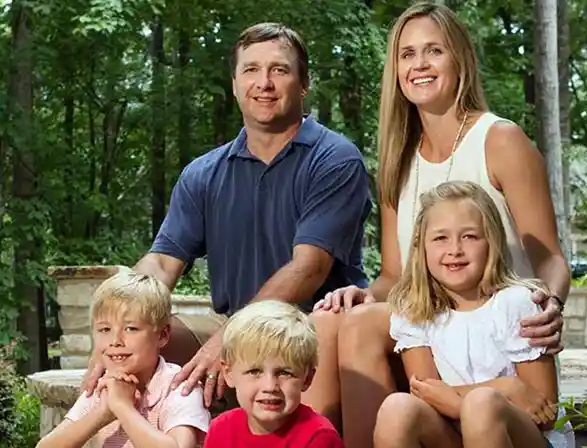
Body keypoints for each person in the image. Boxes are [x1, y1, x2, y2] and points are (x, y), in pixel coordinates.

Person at [310, 3, 572, 448]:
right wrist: (358, 295)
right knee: (333, 321)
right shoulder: (397, 158)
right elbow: (393, 276)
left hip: (500, 328)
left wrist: (552, 301)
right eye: (407, 54)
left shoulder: (500, 140)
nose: (419, 64)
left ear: (460, 59)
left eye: (434, 50)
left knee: (361, 329)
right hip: (435, 322)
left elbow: (548, 257)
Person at [81, 22, 371, 413]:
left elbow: (308, 269)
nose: (263, 83)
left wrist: (233, 336)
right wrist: (116, 331)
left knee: (306, 334)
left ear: (304, 84)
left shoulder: (334, 159)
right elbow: (163, 263)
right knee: (139, 344)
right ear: (235, 83)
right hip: (236, 328)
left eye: (279, 70)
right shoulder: (204, 173)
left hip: (311, 332)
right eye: (251, 70)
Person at [374, 181, 575, 448]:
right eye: (440, 239)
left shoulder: (516, 304)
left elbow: (542, 412)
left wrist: (464, 400)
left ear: (492, 242)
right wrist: (506, 386)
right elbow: (424, 394)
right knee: (395, 409)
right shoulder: (414, 311)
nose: (454, 250)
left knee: (482, 406)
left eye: (469, 236)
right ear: (420, 248)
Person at [6, 272, 211, 448]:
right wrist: (103, 412)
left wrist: (122, 408)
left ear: (162, 335)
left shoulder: (178, 386)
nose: (116, 340)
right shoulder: (105, 387)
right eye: (104, 329)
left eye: (131, 328)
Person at [154, 300, 353, 448]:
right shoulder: (223, 429)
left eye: (285, 373)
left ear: (307, 378)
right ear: (228, 373)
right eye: (255, 372)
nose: (270, 386)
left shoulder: (319, 438)